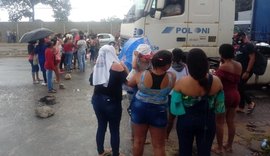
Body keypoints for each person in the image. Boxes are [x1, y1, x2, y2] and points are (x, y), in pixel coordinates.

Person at [171, 48, 224, 156]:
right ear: (206, 63)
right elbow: (220, 108)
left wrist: (169, 125)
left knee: (184, 151)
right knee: (204, 152)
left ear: (189, 64)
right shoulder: (217, 81)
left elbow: (174, 109)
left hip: (186, 121)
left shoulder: (181, 83)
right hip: (207, 121)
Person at [127, 50, 176, 156]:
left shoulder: (141, 75)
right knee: (159, 145)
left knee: (138, 141)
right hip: (159, 110)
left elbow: (129, 84)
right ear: (167, 65)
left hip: (140, 109)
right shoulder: (172, 77)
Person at [91, 45, 129, 156]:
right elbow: (128, 82)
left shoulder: (97, 67)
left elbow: (91, 81)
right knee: (114, 129)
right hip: (112, 102)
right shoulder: (117, 66)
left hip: (97, 100)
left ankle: (101, 152)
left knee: (101, 126)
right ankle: (116, 154)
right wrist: (124, 66)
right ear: (112, 53)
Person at [212, 44, 242, 154]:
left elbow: (216, 81)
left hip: (225, 96)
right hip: (236, 94)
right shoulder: (238, 64)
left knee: (219, 122)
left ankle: (219, 148)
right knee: (231, 121)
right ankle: (229, 146)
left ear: (221, 53)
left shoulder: (224, 66)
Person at [166, 48, 188, 140]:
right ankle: (183, 136)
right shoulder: (186, 67)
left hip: (172, 95)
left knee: (171, 117)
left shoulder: (168, 68)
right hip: (184, 94)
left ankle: (166, 136)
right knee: (183, 116)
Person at [234, 32, 256, 114]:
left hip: (246, 71)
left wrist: (247, 71)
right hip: (240, 70)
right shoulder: (240, 46)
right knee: (239, 87)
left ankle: (250, 103)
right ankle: (241, 107)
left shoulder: (249, 45)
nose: (235, 39)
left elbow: (252, 58)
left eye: (236, 37)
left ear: (242, 37)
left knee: (240, 87)